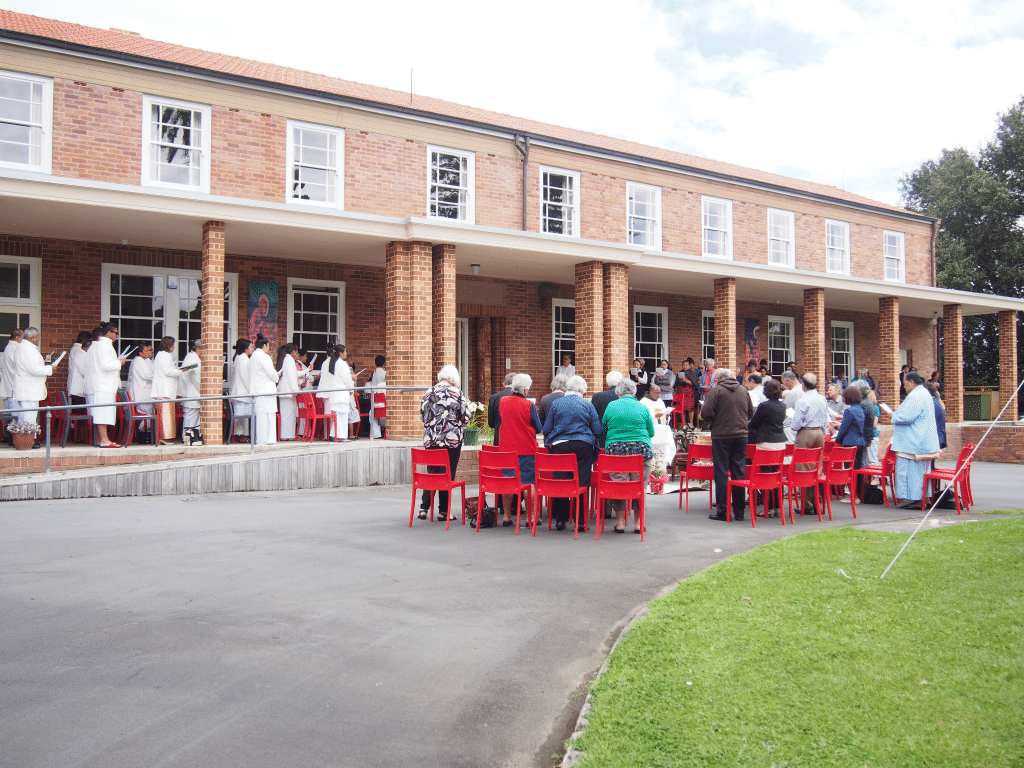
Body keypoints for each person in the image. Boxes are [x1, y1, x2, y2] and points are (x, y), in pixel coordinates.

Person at [542, 375, 602, 531]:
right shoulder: (587, 404)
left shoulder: (556, 403)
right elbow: (597, 430)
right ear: (581, 390)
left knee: (561, 481)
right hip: (583, 446)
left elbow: (546, 429)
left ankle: (560, 520)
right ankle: (580, 521)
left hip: (560, 446)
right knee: (582, 482)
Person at [418, 364, 472, 522]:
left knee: (432, 473)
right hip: (451, 441)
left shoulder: (429, 392)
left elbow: (423, 416)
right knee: (447, 474)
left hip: (431, 440)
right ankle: (443, 511)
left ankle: (424, 509)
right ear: (454, 378)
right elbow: (466, 417)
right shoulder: (456, 393)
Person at [701, 369, 754, 521]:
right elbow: (750, 412)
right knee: (739, 472)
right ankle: (739, 512)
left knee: (721, 472)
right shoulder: (743, 390)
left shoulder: (716, 391)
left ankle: (723, 511)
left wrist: (716, 419)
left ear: (717, 379)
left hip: (722, 435)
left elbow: (706, 413)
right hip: (741, 435)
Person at [603, 377, 654, 534]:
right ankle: (638, 523)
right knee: (640, 485)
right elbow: (651, 432)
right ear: (633, 392)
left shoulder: (611, 406)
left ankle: (620, 523)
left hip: (616, 450)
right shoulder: (642, 407)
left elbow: (604, 428)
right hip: (641, 450)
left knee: (619, 485)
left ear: (618, 392)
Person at [497, 373, 543, 527]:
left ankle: (506, 517)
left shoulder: (503, 401)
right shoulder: (528, 405)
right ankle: (530, 518)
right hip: (526, 448)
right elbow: (538, 428)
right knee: (529, 483)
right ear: (525, 390)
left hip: (507, 448)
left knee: (509, 481)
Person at [891, 371, 940, 509]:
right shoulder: (924, 393)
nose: (904, 386)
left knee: (913, 473)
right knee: (921, 472)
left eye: (905, 383)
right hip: (921, 440)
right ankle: (925, 498)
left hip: (914, 442)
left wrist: (892, 415)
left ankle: (917, 499)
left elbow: (905, 417)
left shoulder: (916, 396)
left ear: (912, 382)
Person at [789, 372, 828, 513]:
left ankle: (807, 504)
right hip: (819, 432)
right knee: (817, 467)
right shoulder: (822, 399)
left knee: (804, 468)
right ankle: (817, 502)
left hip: (806, 432)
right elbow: (825, 418)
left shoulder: (802, 401)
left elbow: (795, 424)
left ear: (803, 385)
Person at [85, 322, 127, 448]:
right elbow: (105, 365)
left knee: (101, 413)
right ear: (109, 333)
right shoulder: (104, 346)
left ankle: (100, 439)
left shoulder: (98, 345)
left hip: (100, 384)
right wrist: (119, 363)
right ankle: (104, 440)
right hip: (104, 385)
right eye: (116, 333)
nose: (117, 336)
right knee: (103, 413)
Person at [13, 327, 54, 448]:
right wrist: (50, 368)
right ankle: (29, 440)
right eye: (38, 337)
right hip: (29, 388)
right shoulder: (27, 349)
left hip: (27, 387)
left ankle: (26, 440)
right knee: (29, 415)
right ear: (33, 338)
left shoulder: (23, 347)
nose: (39, 340)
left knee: (26, 415)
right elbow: (33, 369)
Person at [318, 344, 354, 442]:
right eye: (345, 351)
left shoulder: (335, 362)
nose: (346, 353)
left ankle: (336, 435)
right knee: (342, 416)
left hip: (336, 393)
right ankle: (342, 437)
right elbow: (347, 379)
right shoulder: (342, 364)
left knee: (338, 416)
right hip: (341, 394)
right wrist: (351, 388)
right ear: (340, 353)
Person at [834, 387, 866, 493]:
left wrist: (837, 440)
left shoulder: (849, 411)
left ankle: (852, 494)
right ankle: (858, 494)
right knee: (857, 469)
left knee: (849, 469)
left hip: (850, 442)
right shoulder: (861, 410)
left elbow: (843, 429)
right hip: (860, 442)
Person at [249, 337, 280, 445]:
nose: (268, 348)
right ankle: (268, 439)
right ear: (264, 345)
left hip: (257, 390)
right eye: (268, 346)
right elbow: (271, 373)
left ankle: (261, 439)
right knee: (268, 416)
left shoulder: (253, 356)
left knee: (261, 417)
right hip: (266, 390)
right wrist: (277, 376)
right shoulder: (264, 356)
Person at [640, 384, 677, 471]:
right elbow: (642, 417)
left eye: (660, 393)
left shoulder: (660, 401)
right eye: (656, 393)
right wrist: (654, 416)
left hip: (661, 431)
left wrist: (667, 417)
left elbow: (664, 415)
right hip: (650, 432)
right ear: (650, 392)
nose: (658, 395)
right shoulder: (643, 402)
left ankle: (661, 470)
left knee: (661, 452)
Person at [151, 336, 180, 444]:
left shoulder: (159, 355)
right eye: (172, 345)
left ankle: (162, 436)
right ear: (168, 345)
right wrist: (180, 371)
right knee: (166, 415)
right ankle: (164, 436)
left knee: (162, 414)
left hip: (162, 389)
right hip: (165, 390)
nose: (174, 347)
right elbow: (167, 371)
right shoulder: (165, 355)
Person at [127, 343, 155, 443]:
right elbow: (147, 375)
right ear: (140, 353)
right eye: (147, 351)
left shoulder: (143, 361)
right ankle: (144, 434)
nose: (150, 352)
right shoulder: (139, 361)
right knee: (146, 414)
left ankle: (147, 433)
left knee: (149, 413)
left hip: (143, 392)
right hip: (142, 394)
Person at [1, 328, 24, 437]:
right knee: (17, 416)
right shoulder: (15, 348)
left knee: (10, 416)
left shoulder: (8, 347)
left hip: (8, 386)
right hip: (14, 386)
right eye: (22, 337)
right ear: (17, 338)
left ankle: (9, 437)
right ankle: (17, 438)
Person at [230, 338, 253, 442]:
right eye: (251, 347)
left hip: (239, 391)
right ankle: (242, 436)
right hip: (242, 392)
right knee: (243, 415)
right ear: (246, 348)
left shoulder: (238, 357)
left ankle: (242, 435)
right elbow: (245, 377)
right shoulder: (243, 358)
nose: (252, 349)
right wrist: (251, 390)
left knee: (242, 415)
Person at [277, 343, 301, 440]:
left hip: (284, 390)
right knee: (289, 414)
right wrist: (295, 390)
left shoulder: (286, 359)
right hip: (288, 391)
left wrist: (307, 370)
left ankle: (285, 435)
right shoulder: (290, 360)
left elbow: (294, 374)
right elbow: (292, 377)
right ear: (293, 351)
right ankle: (288, 435)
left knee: (286, 414)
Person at [487, 372, 517, 446]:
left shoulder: (494, 397)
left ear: (504, 384)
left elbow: (491, 423)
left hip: (499, 437)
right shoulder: (524, 397)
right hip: (517, 438)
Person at [677, 358, 700, 428]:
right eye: (683, 365)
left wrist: (686, 381)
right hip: (681, 391)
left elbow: (694, 384)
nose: (684, 366)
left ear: (689, 365)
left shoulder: (692, 372)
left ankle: (691, 422)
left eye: (686, 365)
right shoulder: (680, 372)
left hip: (689, 391)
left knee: (690, 407)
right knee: (682, 407)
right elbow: (677, 382)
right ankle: (684, 423)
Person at [369, 355, 387, 438]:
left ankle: (376, 433)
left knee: (372, 414)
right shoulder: (383, 372)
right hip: (383, 399)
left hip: (375, 399)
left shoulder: (375, 372)